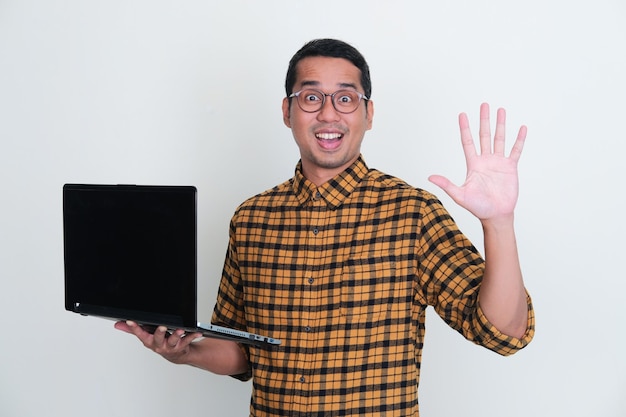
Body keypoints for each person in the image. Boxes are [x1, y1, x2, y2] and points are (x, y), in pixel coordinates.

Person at [115, 38, 535, 416]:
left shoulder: (413, 213)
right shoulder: (251, 218)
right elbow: (243, 351)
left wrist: (498, 223)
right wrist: (184, 353)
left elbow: (503, 332)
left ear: (369, 113)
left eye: (346, 99)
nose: (328, 114)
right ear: (287, 111)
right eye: (311, 97)